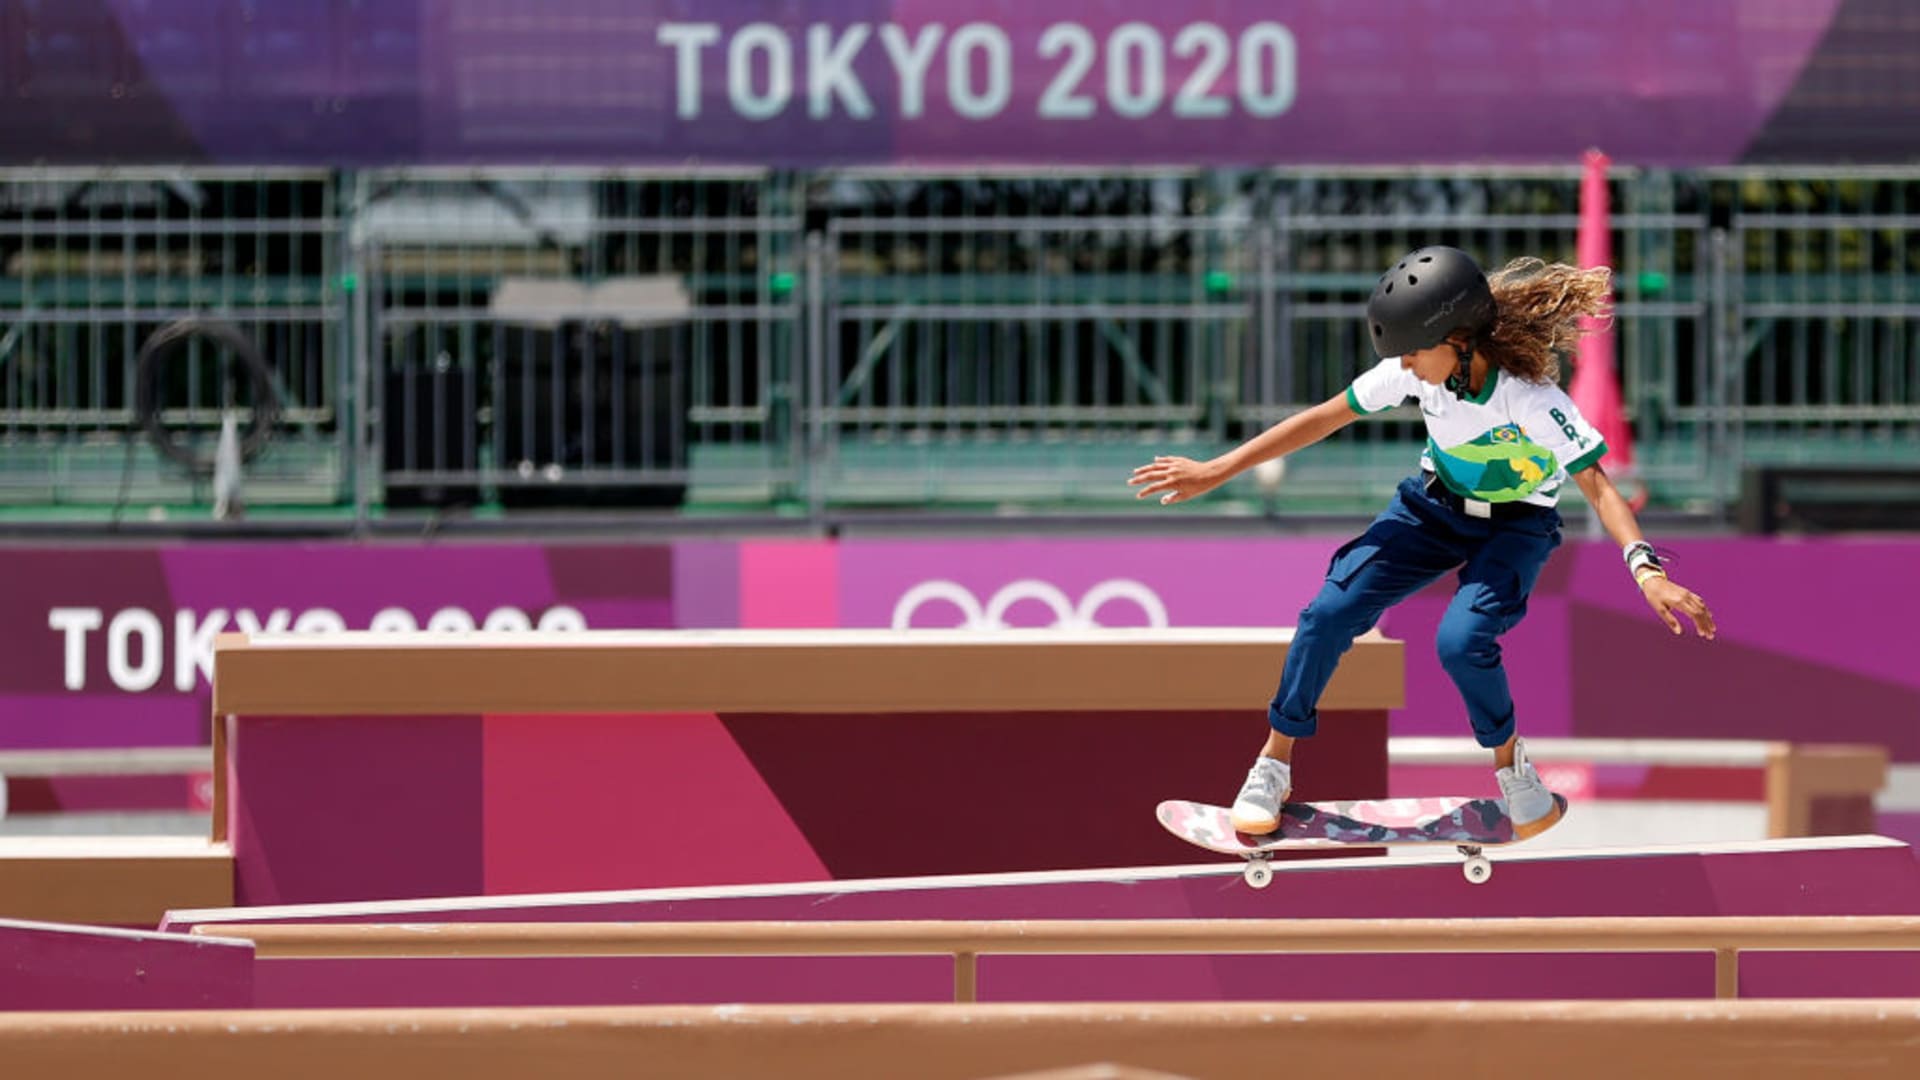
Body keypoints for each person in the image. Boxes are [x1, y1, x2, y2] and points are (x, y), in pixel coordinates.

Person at [1128, 246, 1716, 838]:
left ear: (1459, 340)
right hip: (1431, 509)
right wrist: (1216, 470)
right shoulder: (1412, 372)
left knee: (1461, 642)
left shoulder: (1532, 400)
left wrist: (1647, 571)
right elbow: (1324, 417)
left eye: (1413, 351)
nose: (1405, 365)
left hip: (1515, 528)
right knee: (1326, 614)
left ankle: (1513, 768)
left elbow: (1598, 486)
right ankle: (1273, 763)